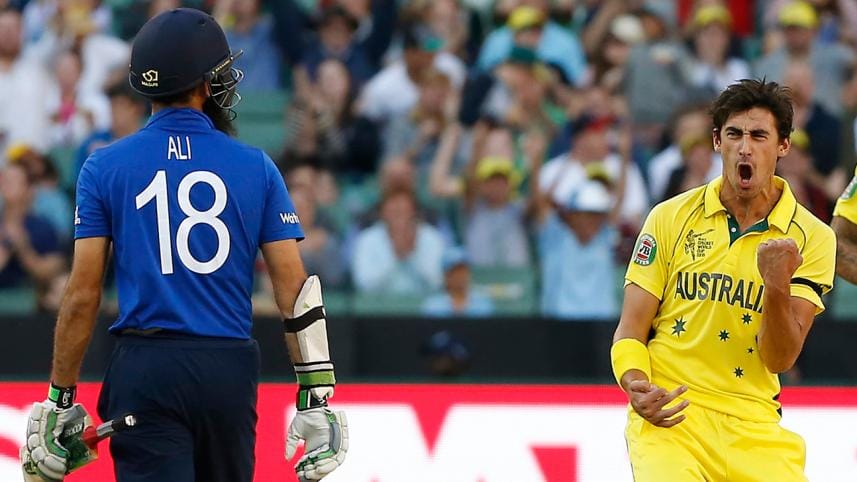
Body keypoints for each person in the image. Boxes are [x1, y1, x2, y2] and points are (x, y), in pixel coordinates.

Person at [21, 9, 347, 482]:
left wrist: (61, 397)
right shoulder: (255, 166)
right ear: (202, 83)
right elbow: (295, 288)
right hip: (227, 370)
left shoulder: (104, 167)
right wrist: (316, 394)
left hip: (147, 369)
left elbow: (82, 294)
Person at [611, 79, 835, 481]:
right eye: (734, 134)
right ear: (717, 141)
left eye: (759, 135)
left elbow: (780, 359)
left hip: (753, 425)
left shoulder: (814, 238)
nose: (745, 147)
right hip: (672, 418)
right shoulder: (669, 217)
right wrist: (635, 383)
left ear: (783, 146)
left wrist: (777, 285)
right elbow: (630, 329)